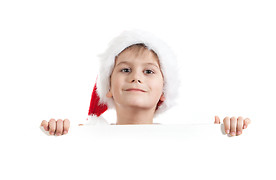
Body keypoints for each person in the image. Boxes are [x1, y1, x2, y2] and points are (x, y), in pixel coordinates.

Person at [41, 29, 251, 136]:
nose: (136, 77)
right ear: (108, 88)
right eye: (125, 69)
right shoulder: (88, 136)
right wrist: (58, 134)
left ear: (164, 91)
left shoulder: (179, 142)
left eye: (149, 71)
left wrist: (223, 135)